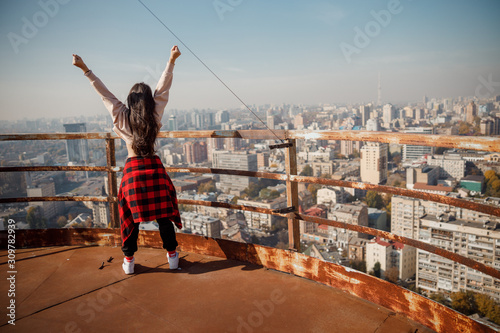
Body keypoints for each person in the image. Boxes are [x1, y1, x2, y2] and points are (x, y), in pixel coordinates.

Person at [72, 46, 182, 274]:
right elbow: (163, 89)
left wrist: (85, 69)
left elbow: (104, 93)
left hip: (133, 173)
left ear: (130, 100)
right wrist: (171, 60)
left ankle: (129, 262)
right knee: (163, 216)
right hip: (154, 170)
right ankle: (172, 257)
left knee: (130, 218)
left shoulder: (121, 116)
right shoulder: (154, 116)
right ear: (150, 102)